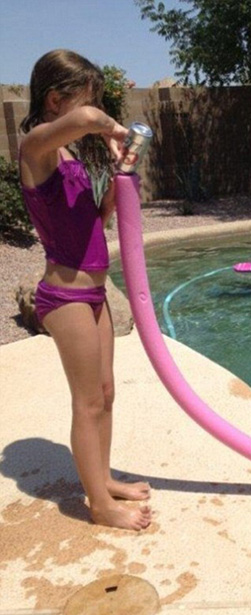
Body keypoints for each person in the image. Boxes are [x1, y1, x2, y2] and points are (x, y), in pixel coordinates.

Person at [19, 49, 151, 531]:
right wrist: (113, 127)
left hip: (94, 293)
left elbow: (90, 224)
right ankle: (100, 505)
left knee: (106, 394)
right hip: (65, 296)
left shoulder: (70, 153)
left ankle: (103, 479)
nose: (92, 110)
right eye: (85, 99)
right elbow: (93, 118)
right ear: (56, 99)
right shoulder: (36, 148)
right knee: (87, 401)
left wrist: (117, 188)